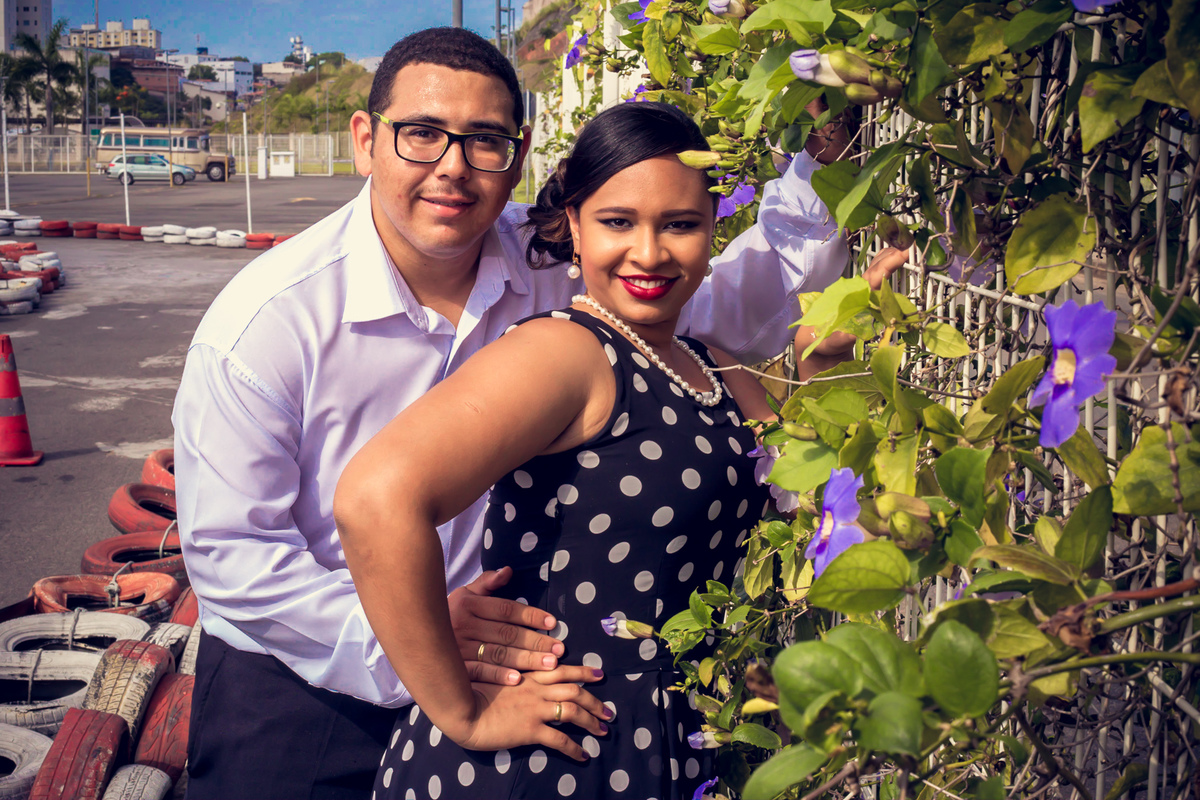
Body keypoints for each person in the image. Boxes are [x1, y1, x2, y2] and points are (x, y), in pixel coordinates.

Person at [172, 27, 845, 800]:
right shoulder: (267, 324)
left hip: (523, 679)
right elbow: (234, 557)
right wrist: (428, 652)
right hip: (308, 690)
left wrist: (825, 159)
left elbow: (711, 291)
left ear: (519, 155)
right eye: (421, 134)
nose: (452, 166)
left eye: (484, 140)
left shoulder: (557, 258)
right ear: (365, 140)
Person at [336, 100, 775, 800]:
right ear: (573, 223)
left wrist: (829, 364)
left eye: (681, 224)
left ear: (713, 226)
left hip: (681, 740)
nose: (650, 253)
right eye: (617, 222)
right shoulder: (565, 352)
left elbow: (817, 504)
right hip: (556, 752)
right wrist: (463, 711)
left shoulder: (715, 366)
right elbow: (374, 499)